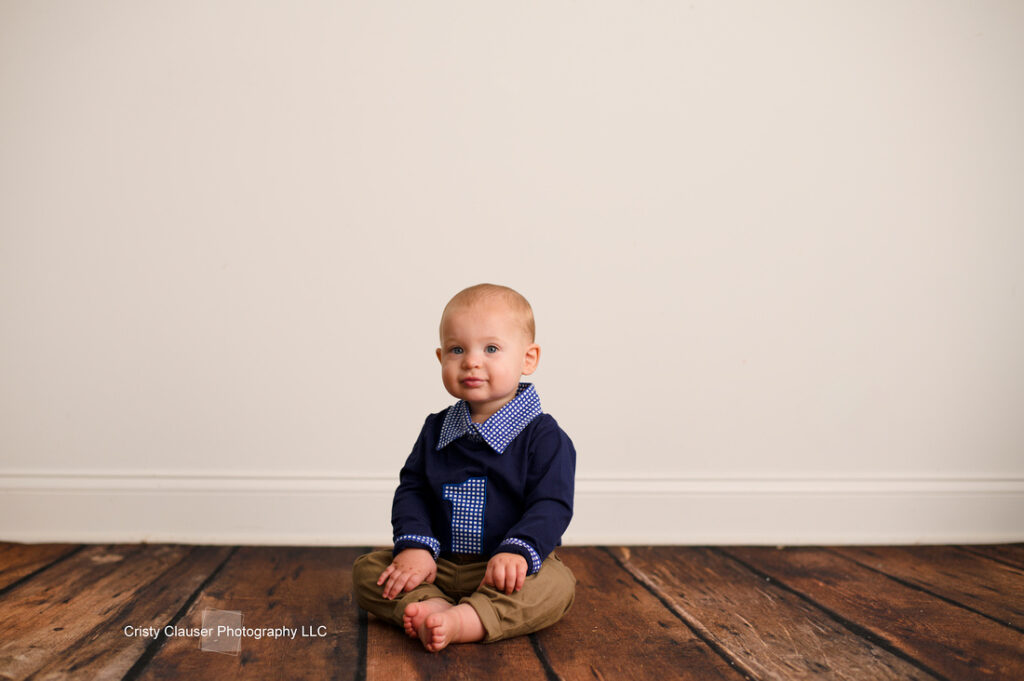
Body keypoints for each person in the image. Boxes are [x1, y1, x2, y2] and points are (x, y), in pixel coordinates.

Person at [352, 283, 576, 652]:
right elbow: (414, 490)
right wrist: (415, 548)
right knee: (368, 571)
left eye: (491, 348)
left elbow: (551, 505)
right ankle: (430, 604)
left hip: (503, 570)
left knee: (557, 586)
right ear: (441, 357)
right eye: (457, 349)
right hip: (437, 565)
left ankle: (469, 619)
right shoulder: (436, 429)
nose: (472, 361)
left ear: (528, 359)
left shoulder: (544, 437)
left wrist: (518, 552)